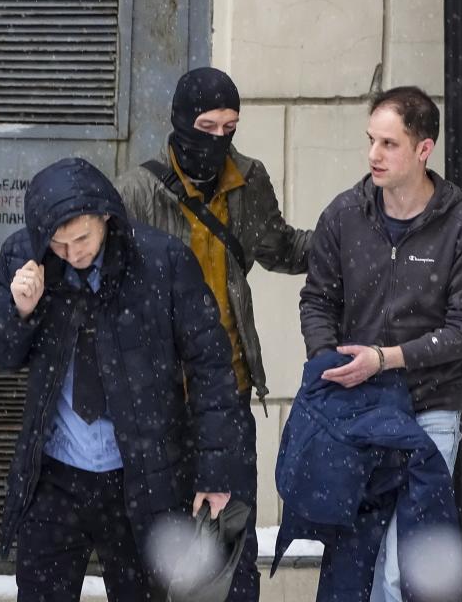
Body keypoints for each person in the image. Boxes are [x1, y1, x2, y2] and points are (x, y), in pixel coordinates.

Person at [0, 157, 243, 602]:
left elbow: (211, 367)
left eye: (82, 238)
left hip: (143, 477)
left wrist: (214, 470)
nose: (74, 253)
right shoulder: (26, 257)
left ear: (106, 216)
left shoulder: (162, 260)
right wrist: (19, 312)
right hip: (54, 478)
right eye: (59, 244)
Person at [115, 67, 311, 601]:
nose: (219, 139)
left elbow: (281, 247)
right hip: (156, 403)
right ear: (181, 121)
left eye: (230, 126)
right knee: (155, 559)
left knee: (229, 561)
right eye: (206, 124)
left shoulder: (248, 181)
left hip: (226, 397)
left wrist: (349, 243)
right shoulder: (136, 192)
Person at [299, 86, 462, 601]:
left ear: (423, 148)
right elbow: (317, 299)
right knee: (352, 556)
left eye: (389, 143)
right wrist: (327, 362)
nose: (373, 155)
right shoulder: (345, 215)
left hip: (428, 408)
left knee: (400, 565)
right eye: (371, 140)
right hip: (358, 408)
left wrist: (386, 359)